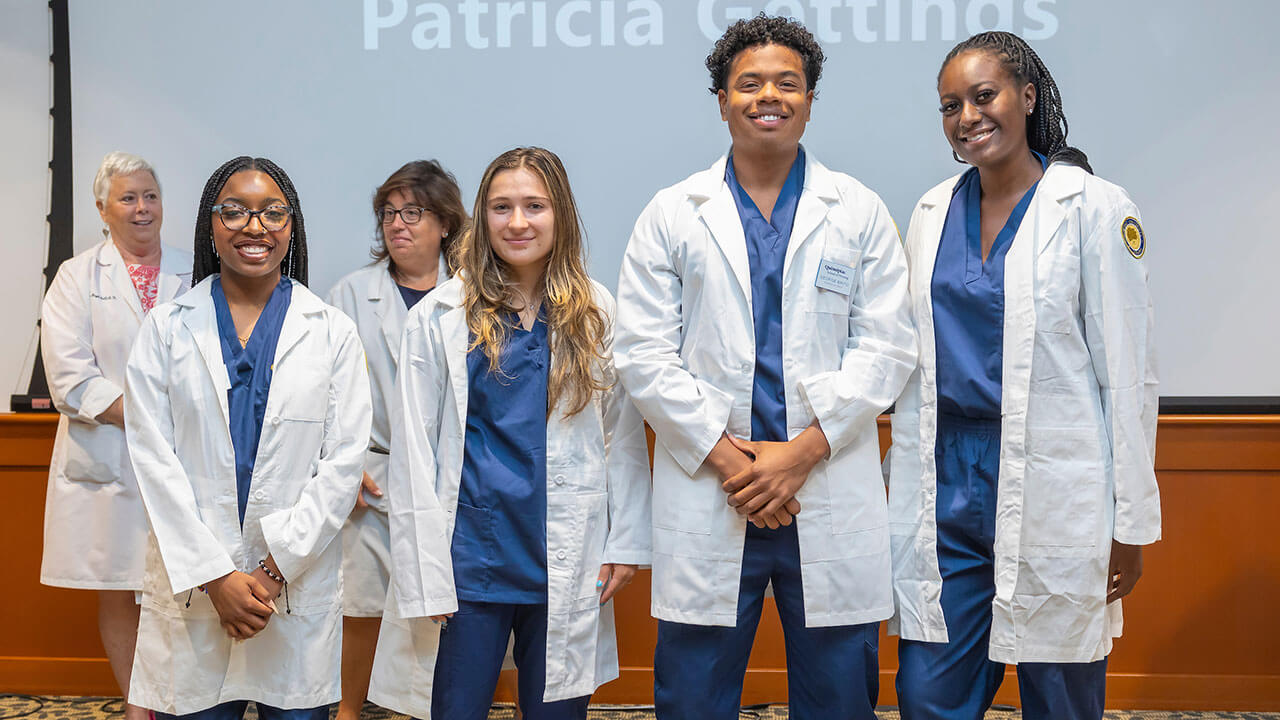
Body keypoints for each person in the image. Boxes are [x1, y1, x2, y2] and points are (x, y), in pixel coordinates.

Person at [614, 15, 916, 720]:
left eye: (788, 83)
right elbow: (642, 352)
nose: (768, 97)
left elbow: (888, 346)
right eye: (748, 84)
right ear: (721, 99)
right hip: (717, 488)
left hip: (823, 482)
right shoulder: (672, 213)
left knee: (840, 699)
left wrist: (800, 455)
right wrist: (735, 461)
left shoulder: (858, 209)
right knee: (692, 699)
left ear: (811, 98)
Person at [887, 31, 1161, 720]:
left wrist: (1130, 520)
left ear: (1027, 95)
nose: (968, 117)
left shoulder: (1093, 208)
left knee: (1059, 694)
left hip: (1054, 479)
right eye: (952, 105)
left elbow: (1129, 374)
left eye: (985, 96)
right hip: (946, 480)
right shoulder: (929, 212)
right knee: (928, 696)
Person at [367, 147, 651, 720]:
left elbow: (619, 436)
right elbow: (416, 450)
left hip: (565, 552)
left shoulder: (596, 311)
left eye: (534, 205)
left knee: (557, 713)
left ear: (561, 215)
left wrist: (627, 541)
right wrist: (423, 568)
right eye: (502, 206)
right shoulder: (443, 314)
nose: (517, 222)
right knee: (456, 707)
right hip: (470, 558)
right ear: (481, 215)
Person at [123, 156, 372, 719]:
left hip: (287, 588)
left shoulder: (330, 330)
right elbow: (153, 462)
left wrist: (269, 571)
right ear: (211, 225)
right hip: (199, 588)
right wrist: (217, 578)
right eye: (233, 211)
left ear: (293, 225)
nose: (254, 227)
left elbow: (341, 466)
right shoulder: (166, 328)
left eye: (272, 212)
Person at [40, 151, 192, 720]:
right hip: (109, 453)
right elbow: (69, 376)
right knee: (118, 583)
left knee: (176, 589)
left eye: (150, 196)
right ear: (103, 209)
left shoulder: (194, 269)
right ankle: (136, 704)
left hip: (181, 455)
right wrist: (144, 415)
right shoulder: (77, 277)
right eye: (128, 198)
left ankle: (176, 698)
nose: (142, 208)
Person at [325, 160, 466, 720]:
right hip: (372, 476)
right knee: (361, 603)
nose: (397, 224)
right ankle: (349, 712)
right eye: (389, 213)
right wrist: (341, 460)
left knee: (449, 605)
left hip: (449, 478)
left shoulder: (475, 291)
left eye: (413, 212)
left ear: (446, 223)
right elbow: (322, 392)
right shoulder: (350, 294)